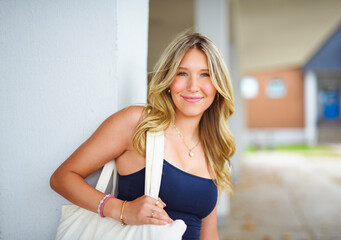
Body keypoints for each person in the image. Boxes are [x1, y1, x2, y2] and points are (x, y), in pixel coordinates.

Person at [50, 31, 235, 240]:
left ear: (218, 85)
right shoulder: (138, 123)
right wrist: (122, 210)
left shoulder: (214, 147)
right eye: (182, 73)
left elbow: (208, 233)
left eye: (205, 74)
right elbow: (62, 177)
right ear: (168, 79)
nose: (193, 86)